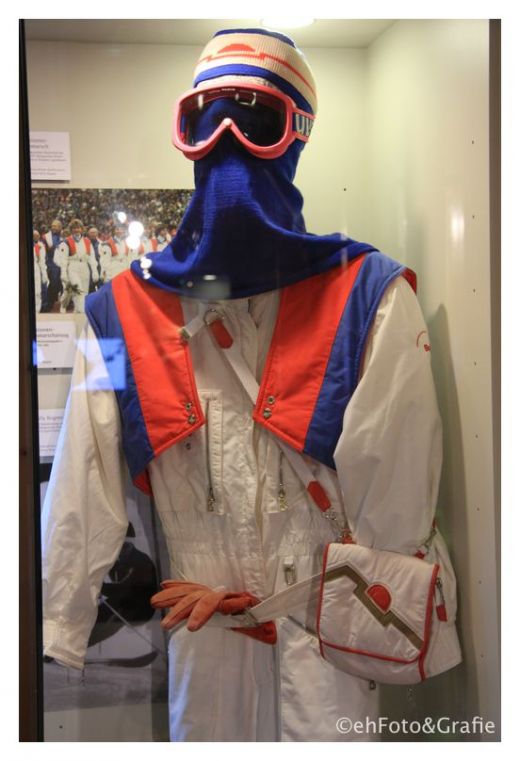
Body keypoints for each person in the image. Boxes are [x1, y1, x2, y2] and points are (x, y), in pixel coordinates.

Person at [41, 28, 461, 742]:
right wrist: (63, 616)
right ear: (187, 135)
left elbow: (394, 506)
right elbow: (83, 482)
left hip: (326, 645)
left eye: (255, 120)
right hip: (203, 638)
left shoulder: (369, 298)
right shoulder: (118, 315)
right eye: (206, 121)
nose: (228, 142)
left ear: (296, 133)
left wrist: (363, 598)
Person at [55, 218, 99, 313]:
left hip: (84, 267)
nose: (76, 230)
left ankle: (76, 310)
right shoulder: (66, 242)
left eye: (78, 228)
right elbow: (63, 259)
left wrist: (95, 271)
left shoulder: (87, 241)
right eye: (74, 228)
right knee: (78, 289)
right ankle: (81, 311)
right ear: (71, 229)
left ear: (82, 229)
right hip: (73, 266)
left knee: (82, 291)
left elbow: (92, 258)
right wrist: (63, 273)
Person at [42, 219, 63, 312]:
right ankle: (49, 304)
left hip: (62, 263)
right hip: (51, 264)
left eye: (56, 226)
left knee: (62, 284)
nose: (53, 227)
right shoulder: (45, 237)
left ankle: (63, 304)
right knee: (53, 283)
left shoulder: (64, 236)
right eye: (53, 226)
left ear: (60, 227)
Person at [33, 229, 49, 314]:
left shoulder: (40, 245)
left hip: (36, 268)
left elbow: (42, 260)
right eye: (34, 235)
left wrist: (44, 273)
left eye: (37, 235)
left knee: (37, 291)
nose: (36, 237)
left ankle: (37, 310)